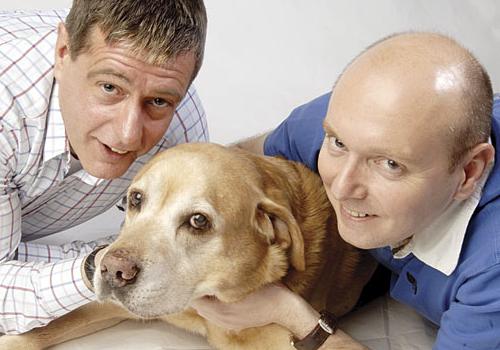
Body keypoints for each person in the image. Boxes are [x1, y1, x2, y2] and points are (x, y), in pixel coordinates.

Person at [191, 32, 500, 349]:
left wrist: (289, 313)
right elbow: (238, 162)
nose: (341, 187)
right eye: (338, 143)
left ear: (469, 172)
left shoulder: (492, 269)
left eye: (390, 164)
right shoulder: (354, 121)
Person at [0, 0, 207, 335]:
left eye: (157, 102)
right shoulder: (5, 111)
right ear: (63, 52)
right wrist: (94, 267)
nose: (127, 135)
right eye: (110, 87)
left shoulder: (179, 128)